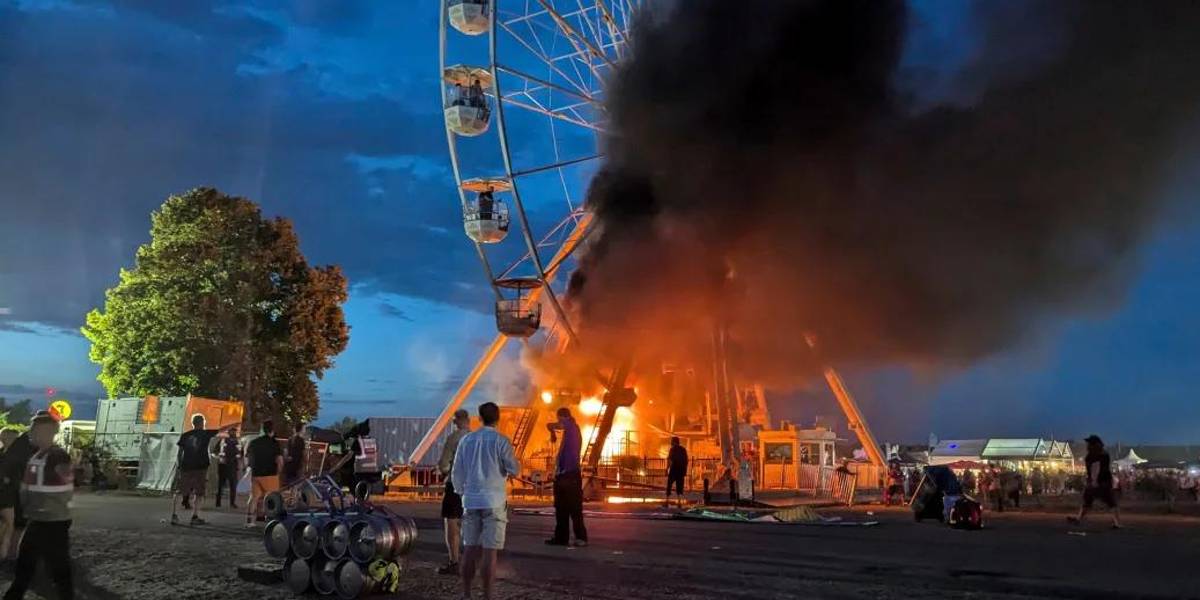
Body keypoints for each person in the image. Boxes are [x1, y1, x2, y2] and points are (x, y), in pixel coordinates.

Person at [451, 402, 520, 600]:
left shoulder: (466, 441)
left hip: (471, 501)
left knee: (469, 549)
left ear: (479, 418)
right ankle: (488, 596)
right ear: (498, 419)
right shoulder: (501, 441)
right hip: (494, 502)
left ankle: (466, 594)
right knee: (490, 553)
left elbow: (457, 472)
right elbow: (514, 469)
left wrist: (462, 492)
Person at [3, 414, 73, 600]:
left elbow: (65, 489)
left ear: (46, 432)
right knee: (28, 564)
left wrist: (43, 506)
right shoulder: (38, 456)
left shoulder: (56, 456)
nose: (31, 434)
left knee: (55, 568)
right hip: (41, 518)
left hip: (52, 520)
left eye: (34, 430)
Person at [0, 412, 49, 561]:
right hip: (12, 492)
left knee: (11, 525)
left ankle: (10, 553)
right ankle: (10, 554)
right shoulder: (25, 445)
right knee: (13, 525)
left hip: (14, 491)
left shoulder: (22, 445)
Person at [172, 414, 235, 525]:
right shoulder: (205, 433)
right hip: (200, 467)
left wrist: (179, 464)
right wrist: (232, 424)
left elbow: (180, 452)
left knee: (180, 491)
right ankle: (195, 516)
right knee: (199, 492)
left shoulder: (185, 435)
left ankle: (174, 515)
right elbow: (221, 429)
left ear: (193, 423)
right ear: (202, 423)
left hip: (186, 466)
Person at [545, 407, 587, 547]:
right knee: (562, 509)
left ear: (562, 417)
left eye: (559, 418)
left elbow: (556, 425)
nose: (558, 422)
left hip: (570, 474)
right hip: (564, 475)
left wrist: (552, 429)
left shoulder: (572, 427)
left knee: (573, 508)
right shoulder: (570, 431)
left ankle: (580, 538)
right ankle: (562, 538)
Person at [437, 409, 471, 575]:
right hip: (474, 487)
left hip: (455, 485)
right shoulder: (476, 438)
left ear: (457, 421)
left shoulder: (454, 438)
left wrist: (445, 471)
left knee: (451, 522)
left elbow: (443, 463)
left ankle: (454, 561)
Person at [1069, 435, 1121, 529]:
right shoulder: (1096, 456)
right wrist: (1091, 481)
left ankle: (1116, 523)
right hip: (1099, 482)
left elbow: (1097, 469)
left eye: (1089, 444)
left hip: (1102, 482)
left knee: (1109, 501)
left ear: (1095, 445)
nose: (1087, 445)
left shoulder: (1100, 455)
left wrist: (1093, 481)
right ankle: (1116, 523)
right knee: (1105, 502)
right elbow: (1092, 470)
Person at [245, 421, 284, 527]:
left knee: (254, 497)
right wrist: (279, 472)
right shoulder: (274, 443)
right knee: (272, 499)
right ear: (272, 431)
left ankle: (250, 521)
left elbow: (247, 457)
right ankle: (272, 522)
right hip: (270, 474)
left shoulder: (254, 442)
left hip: (256, 473)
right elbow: (280, 460)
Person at [213, 426, 242, 509]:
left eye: (234, 432)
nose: (234, 433)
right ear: (229, 433)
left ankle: (227, 502)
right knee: (224, 485)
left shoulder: (236, 441)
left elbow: (240, 453)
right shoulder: (233, 441)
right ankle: (221, 502)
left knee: (226, 485)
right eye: (232, 431)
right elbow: (215, 452)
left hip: (228, 465)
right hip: (226, 465)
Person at [665, 436, 689, 508]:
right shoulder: (683, 449)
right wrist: (684, 470)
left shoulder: (672, 449)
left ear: (674, 442)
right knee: (679, 486)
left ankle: (667, 501)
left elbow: (670, 460)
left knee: (669, 484)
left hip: (674, 469)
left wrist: (666, 469)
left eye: (672, 441)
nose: (671, 443)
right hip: (681, 470)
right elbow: (686, 460)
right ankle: (679, 502)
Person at [282, 422, 308, 486]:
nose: (305, 430)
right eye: (304, 428)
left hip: (289, 466)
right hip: (297, 466)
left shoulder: (290, 439)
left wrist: (286, 459)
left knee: (289, 485)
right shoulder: (301, 440)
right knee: (297, 485)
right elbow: (304, 454)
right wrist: (306, 465)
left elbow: (285, 452)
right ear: (301, 429)